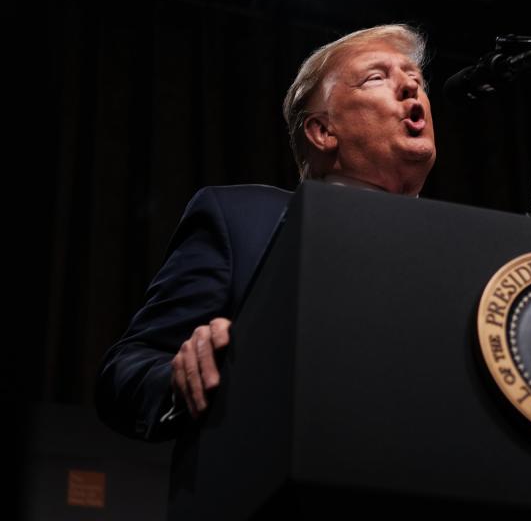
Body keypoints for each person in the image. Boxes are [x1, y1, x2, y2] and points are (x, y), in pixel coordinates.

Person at [95, 24, 436, 440]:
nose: (410, 87)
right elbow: (126, 367)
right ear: (323, 131)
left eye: (416, 79)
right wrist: (181, 376)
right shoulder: (240, 220)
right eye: (377, 78)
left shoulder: (463, 252)